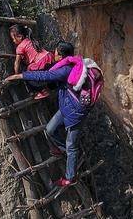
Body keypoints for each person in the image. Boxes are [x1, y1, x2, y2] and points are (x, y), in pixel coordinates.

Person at [5, 41, 88, 187]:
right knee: (50, 129)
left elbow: (45, 76)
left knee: (72, 145)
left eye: (55, 52)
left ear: (60, 55)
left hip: (76, 112)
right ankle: (62, 149)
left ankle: (70, 178)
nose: (53, 53)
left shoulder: (66, 69)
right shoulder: (72, 65)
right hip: (67, 107)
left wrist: (20, 76)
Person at [9, 25, 53, 99]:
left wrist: (16, 74)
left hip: (40, 62)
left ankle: (42, 91)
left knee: (28, 75)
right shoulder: (30, 40)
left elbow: (17, 62)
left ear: (20, 36)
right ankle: (49, 87)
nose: (13, 41)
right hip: (49, 57)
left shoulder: (20, 47)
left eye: (13, 39)